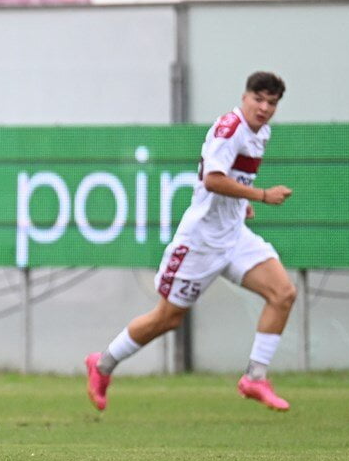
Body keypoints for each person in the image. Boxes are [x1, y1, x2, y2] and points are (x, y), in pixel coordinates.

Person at [85, 71, 296, 412]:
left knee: (283, 293)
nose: (264, 108)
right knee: (167, 318)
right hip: (200, 241)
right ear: (244, 97)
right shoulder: (231, 129)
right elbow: (212, 180)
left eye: (271, 103)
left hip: (234, 237)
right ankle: (103, 364)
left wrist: (240, 204)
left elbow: (230, 178)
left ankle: (255, 377)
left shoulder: (262, 133)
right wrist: (259, 195)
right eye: (258, 99)